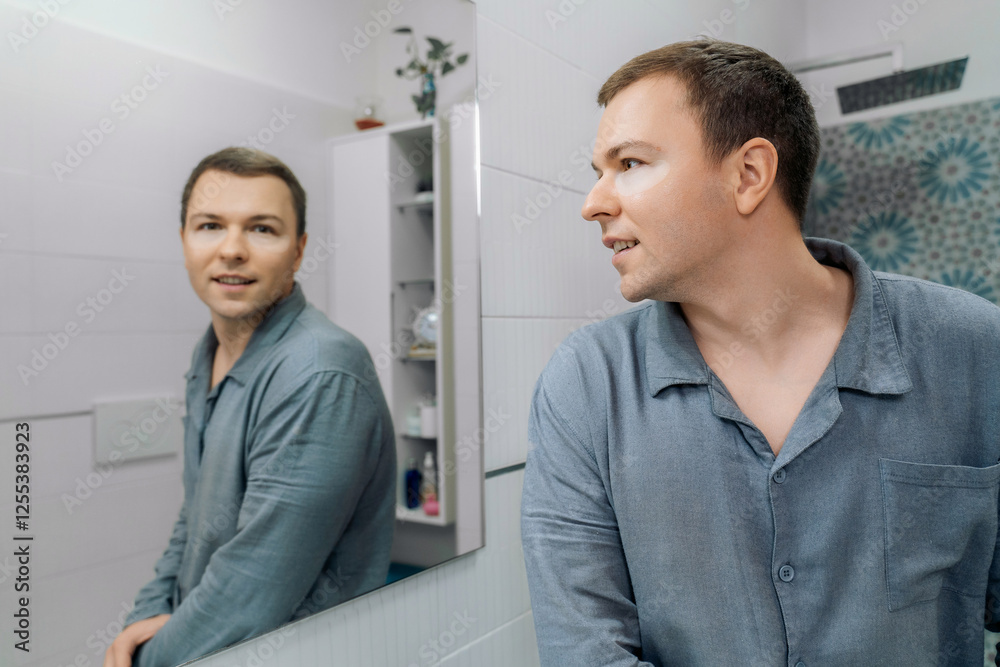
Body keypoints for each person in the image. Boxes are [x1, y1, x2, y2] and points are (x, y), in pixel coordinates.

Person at [521, 39, 1000, 666]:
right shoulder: (586, 383)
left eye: (630, 163)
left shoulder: (974, 349)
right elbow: (585, 652)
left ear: (749, 175)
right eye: (598, 173)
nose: (594, 204)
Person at [105, 147, 397, 667]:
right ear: (184, 241)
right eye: (210, 226)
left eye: (262, 229)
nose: (232, 250)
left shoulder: (320, 371)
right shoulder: (209, 353)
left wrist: (147, 660)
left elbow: (251, 589)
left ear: (299, 250)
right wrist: (144, 618)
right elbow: (194, 516)